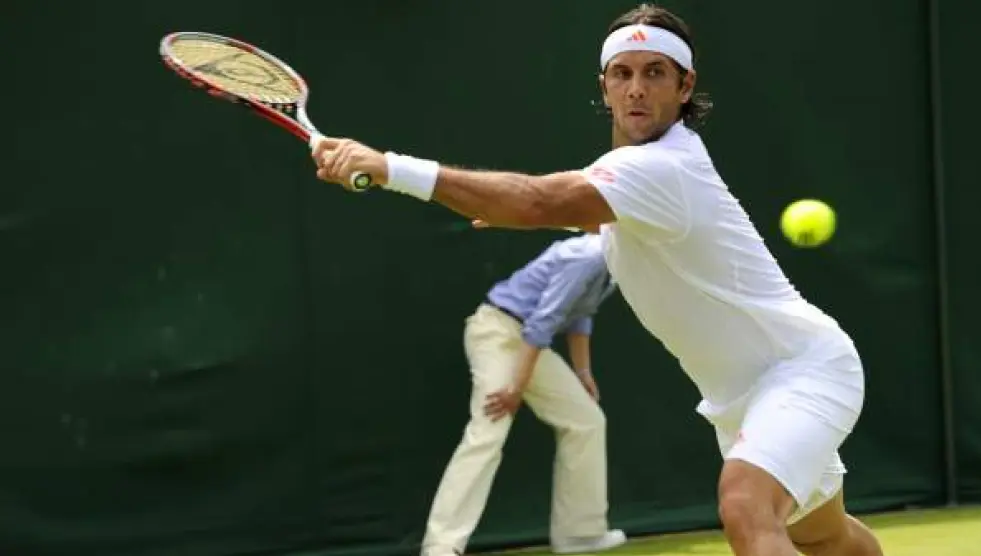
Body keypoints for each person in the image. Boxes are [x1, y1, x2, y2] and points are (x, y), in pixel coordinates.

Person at [311, 4, 885, 556]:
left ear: (685, 87)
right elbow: (557, 207)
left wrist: (388, 167)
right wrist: (504, 204)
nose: (636, 88)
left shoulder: (663, 167)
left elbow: (538, 201)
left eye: (655, 73)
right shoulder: (635, 181)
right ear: (605, 87)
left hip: (803, 369)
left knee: (745, 506)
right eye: (622, 74)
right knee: (824, 539)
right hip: (741, 398)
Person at [421, 232, 626, 556]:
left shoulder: (613, 265)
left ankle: (579, 534)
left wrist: (583, 372)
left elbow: (581, 314)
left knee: (587, 420)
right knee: (488, 432)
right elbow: (543, 321)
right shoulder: (588, 256)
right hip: (497, 332)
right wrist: (515, 388)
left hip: (528, 342)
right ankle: (441, 546)